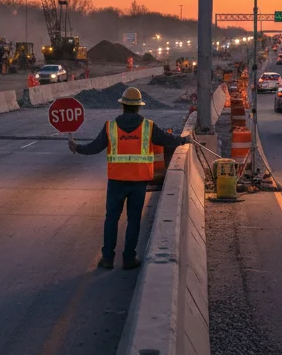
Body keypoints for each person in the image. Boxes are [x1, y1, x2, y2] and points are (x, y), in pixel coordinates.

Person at [69, 86, 191, 270]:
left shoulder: (110, 127)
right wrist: (185, 139)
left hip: (116, 181)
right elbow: (169, 140)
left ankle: (108, 259)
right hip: (138, 183)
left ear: (123, 106)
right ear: (138, 107)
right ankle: (128, 259)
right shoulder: (148, 127)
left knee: (111, 219)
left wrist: (76, 147)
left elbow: (93, 148)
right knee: (134, 220)